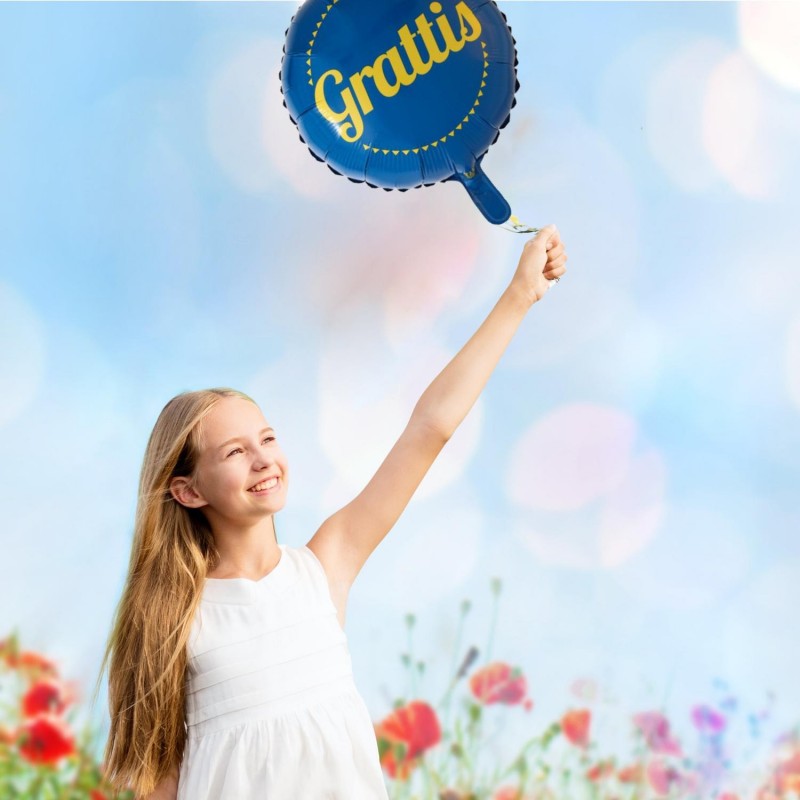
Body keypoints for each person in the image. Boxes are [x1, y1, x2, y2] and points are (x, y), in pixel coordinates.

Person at [94, 225, 568, 799]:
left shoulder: (325, 566)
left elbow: (431, 428)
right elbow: (159, 785)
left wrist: (519, 296)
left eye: (266, 439)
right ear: (189, 491)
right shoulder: (174, 615)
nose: (263, 460)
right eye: (236, 452)